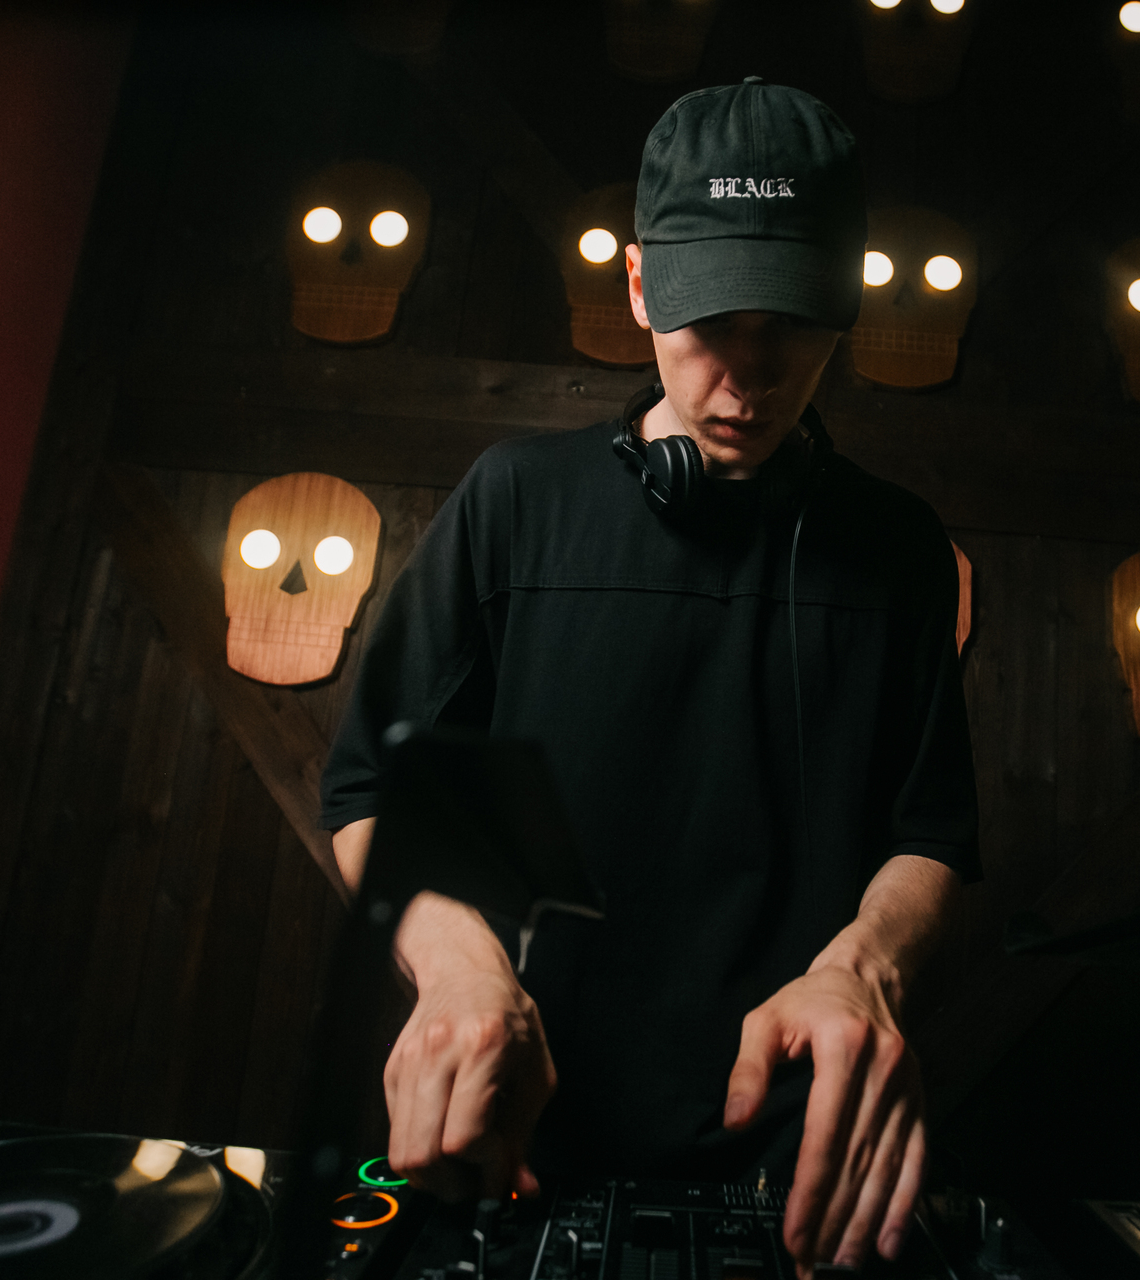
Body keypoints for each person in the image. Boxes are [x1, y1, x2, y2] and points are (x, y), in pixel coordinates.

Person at [319, 78, 978, 1277]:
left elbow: (931, 833)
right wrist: (458, 962)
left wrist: (862, 967)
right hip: (514, 1152)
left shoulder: (900, 551)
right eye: (710, 320)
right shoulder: (514, 503)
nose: (749, 376)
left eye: (792, 322)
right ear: (638, 285)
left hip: (803, 1177)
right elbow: (368, 790)